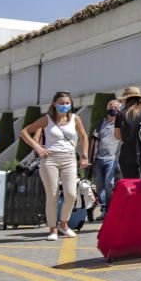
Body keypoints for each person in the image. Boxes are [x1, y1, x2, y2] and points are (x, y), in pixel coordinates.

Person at [19, 92, 89, 241]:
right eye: (61, 103)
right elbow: (24, 132)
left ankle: (63, 224)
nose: (64, 106)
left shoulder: (75, 119)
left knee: (71, 194)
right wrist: (37, 148)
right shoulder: (47, 119)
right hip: (50, 160)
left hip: (69, 159)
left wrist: (84, 156)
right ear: (54, 104)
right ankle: (52, 229)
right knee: (52, 195)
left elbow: (84, 136)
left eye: (67, 103)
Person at [88, 98, 122, 219]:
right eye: (111, 106)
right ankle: (103, 210)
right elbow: (93, 140)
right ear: (107, 109)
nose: (114, 108)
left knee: (109, 184)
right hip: (98, 159)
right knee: (99, 186)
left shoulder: (121, 124)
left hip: (112, 159)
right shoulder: (100, 123)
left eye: (117, 107)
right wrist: (89, 158)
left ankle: (110, 209)